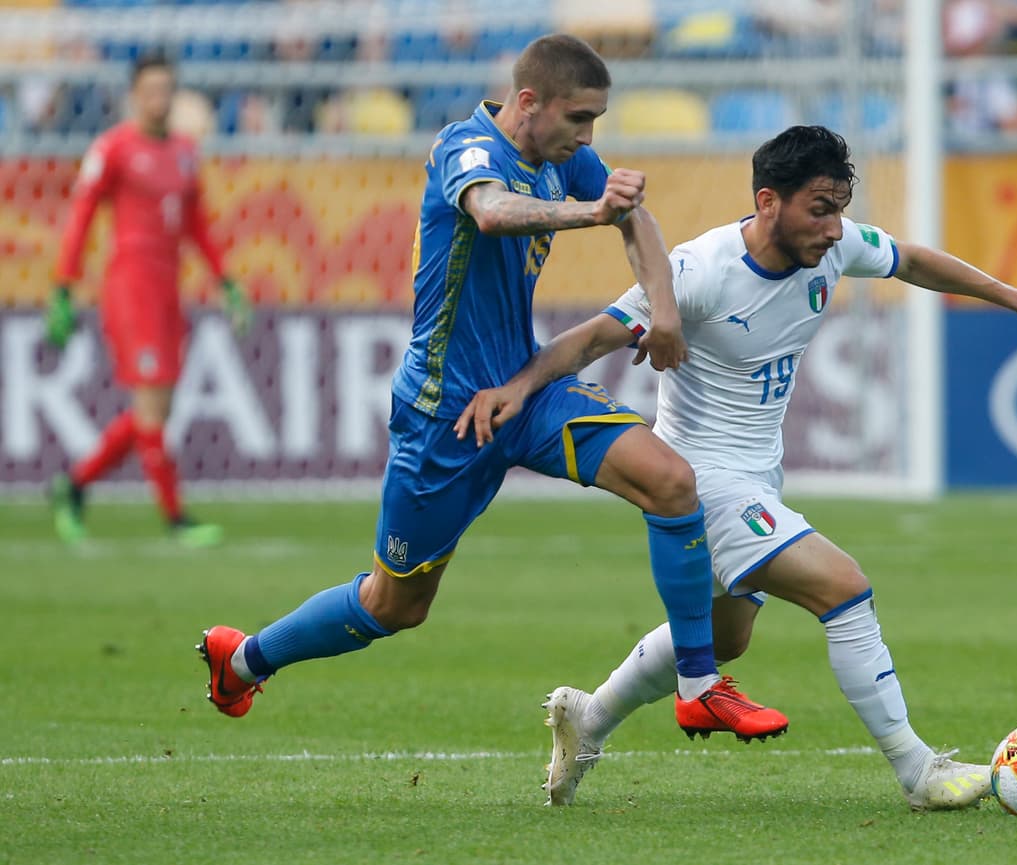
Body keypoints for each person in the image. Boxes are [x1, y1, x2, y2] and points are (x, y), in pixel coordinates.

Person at [454, 125, 1017, 809]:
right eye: (819, 208)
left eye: (839, 208)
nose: (834, 227)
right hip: (701, 479)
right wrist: (517, 391)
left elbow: (909, 259)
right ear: (769, 201)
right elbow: (590, 338)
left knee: (723, 637)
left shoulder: (833, 245)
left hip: (759, 473)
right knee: (844, 588)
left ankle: (590, 718)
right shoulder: (701, 270)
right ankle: (919, 769)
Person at [197, 34, 786, 743]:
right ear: (529, 102)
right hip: (445, 414)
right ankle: (245, 659)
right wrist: (591, 212)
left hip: (523, 391)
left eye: (597, 121)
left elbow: (634, 217)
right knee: (396, 603)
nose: (588, 137)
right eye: (579, 119)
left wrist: (662, 308)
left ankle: (697, 685)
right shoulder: (465, 148)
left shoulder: (561, 157)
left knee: (671, 481)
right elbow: (492, 212)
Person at [46, 53, 252, 548]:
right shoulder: (113, 148)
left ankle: (73, 486)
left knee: (154, 409)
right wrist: (63, 285)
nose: (159, 100)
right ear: (135, 96)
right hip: (129, 287)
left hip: (167, 290)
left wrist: (225, 279)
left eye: (167, 90)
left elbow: (196, 223)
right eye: (151, 91)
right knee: (152, 404)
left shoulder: (184, 152)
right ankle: (174, 516)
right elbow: (81, 215)